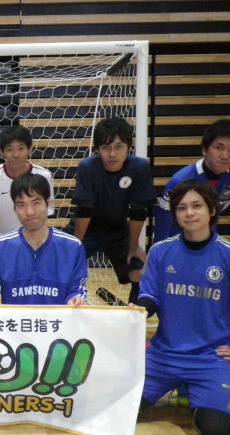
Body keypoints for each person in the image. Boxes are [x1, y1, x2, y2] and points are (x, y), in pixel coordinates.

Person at [137, 179, 230, 435]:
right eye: (182, 207)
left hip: (209, 359)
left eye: (197, 206)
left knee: (218, 433)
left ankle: (195, 391)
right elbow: (149, 297)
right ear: (175, 214)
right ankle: (179, 385)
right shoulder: (160, 251)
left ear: (212, 210)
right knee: (115, 409)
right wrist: (137, 310)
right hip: (163, 356)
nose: (189, 213)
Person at [65, 117, 155, 304]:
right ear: (98, 149)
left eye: (119, 147)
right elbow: (84, 211)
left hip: (118, 230)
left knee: (139, 270)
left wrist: (133, 246)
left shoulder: (139, 167)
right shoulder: (88, 167)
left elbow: (138, 211)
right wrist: (76, 247)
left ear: (128, 147)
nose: (112, 153)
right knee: (62, 265)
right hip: (86, 230)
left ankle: (134, 314)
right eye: (106, 147)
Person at [0, 172, 87, 306]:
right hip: (15, 319)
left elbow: (78, 288)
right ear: (15, 208)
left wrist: (77, 297)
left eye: (36, 203)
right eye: (21, 205)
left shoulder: (73, 247)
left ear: (48, 203)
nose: (29, 212)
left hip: (59, 320)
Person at [154, 119, 230, 248]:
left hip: (208, 244)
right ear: (205, 150)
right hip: (176, 245)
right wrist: (160, 253)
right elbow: (163, 220)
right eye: (219, 148)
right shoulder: (179, 180)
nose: (225, 156)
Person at [0, 125, 54, 248]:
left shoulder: (44, 176)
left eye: (21, 148)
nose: (16, 155)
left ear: (30, 149)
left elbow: (45, 214)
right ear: (2, 152)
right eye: (9, 149)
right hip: (1, 240)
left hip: (34, 241)